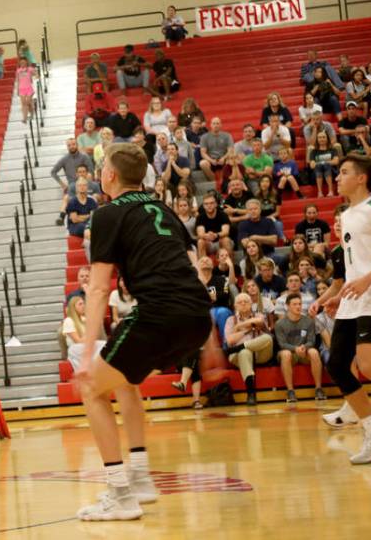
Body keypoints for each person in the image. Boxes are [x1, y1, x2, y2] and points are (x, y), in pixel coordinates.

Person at [75, 142, 211, 521]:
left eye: (102, 166)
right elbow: (193, 264)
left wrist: (86, 356)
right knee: (123, 379)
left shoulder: (106, 214)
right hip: (197, 314)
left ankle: (119, 493)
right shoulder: (162, 208)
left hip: (160, 312)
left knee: (91, 387)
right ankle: (139, 478)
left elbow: (99, 288)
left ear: (110, 175)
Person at [310, 154, 371, 464]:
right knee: (338, 365)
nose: (337, 177)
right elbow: (355, 266)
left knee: (367, 364)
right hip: (354, 300)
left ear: (362, 178)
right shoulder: (349, 215)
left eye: (343, 172)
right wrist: (339, 295)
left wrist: (366, 281)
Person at [224, 293, 274, 406]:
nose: (243, 304)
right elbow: (230, 341)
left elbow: (260, 322)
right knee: (244, 353)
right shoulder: (230, 320)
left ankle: (242, 346)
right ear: (235, 306)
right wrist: (248, 329)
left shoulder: (258, 315)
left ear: (251, 304)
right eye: (239, 302)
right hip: (238, 356)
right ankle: (251, 393)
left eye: (246, 301)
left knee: (268, 338)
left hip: (260, 353)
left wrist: (238, 327)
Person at [275, 294, 324, 403]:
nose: (298, 306)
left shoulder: (308, 321)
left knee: (314, 352)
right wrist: (295, 348)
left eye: (300, 304)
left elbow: (311, 341)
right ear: (287, 306)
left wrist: (304, 347)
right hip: (289, 353)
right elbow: (282, 344)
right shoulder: (279, 324)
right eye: (294, 304)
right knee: (286, 354)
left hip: (303, 352)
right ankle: (290, 391)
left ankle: (319, 389)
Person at [62, 295, 105, 371]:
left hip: (86, 345)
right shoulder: (68, 321)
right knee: (97, 346)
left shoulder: (83, 319)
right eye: (80, 304)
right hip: (75, 348)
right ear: (73, 307)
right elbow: (78, 341)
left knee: (105, 344)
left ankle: (97, 369)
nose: (83, 306)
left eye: (83, 303)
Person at [199, 117, 236, 190]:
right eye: (214, 123)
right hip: (211, 160)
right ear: (210, 125)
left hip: (224, 159)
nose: (216, 125)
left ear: (221, 125)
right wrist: (211, 160)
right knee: (203, 163)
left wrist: (224, 158)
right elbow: (203, 153)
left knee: (232, 161)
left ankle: (227, 181)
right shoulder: (204, 137)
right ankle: (214, 182)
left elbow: (230, 150)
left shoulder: (227, 136)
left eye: (217, 123)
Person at [195, 192, 234, 257]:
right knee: (200, 242)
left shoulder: (222, 215)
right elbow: (200, 234)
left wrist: (216, 235)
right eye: (206, 204)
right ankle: (204, 266)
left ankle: (230, 266)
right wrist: (207, 235)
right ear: (203, 206)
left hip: (220, 241)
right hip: (208, 243)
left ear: (216, 204)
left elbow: (226, 232)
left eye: (211, 203)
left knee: (226, 240)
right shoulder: (200, 217)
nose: (209, 205)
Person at [308, 131, 341, 198]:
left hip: (332, 172)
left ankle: (330, 191)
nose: (322, 139)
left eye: (323, 137)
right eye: (319, 137)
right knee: (319, 166)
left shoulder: (333, 150)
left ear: (327, 139)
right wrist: (324, 162)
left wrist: (323, 162)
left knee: (326, 165)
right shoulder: (314, 151)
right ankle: (320, 192)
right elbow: (312, 165)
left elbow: (336, 161)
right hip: (317, 173)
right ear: (317, 139)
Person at [15, 56, 37, 123]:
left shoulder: (29, 69)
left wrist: (36, 75)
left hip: (29, 88)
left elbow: (36, 73)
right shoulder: (18, 71)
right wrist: (17, 90)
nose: (22, 64)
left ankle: (32, 112)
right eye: (21, 63)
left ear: (26, 62)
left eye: (24, 62)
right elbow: (17, 80)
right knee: (24, 104)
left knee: (28, 103)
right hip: (22, 89)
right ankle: (24, 118)